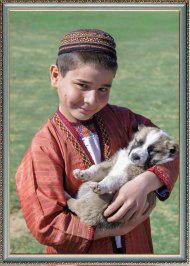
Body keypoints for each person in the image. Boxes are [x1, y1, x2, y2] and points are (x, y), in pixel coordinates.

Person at [15, 28, 179, 254]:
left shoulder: (124, 120)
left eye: (103, 88)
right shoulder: (44, 147)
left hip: (137, 250)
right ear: (55, 76)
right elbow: (46, 224)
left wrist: (145, 183)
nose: (92, 100)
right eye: (82, 85)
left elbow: (170, 150)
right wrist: (112, 230)